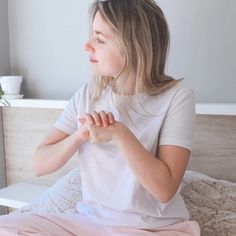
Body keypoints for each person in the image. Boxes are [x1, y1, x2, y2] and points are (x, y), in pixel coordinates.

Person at [0, 0, 200, 235]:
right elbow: (39, 165)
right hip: (92, 224)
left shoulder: (177, 98)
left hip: (153, 228)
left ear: (134, 46)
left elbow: (164, 189)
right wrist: (80, 135)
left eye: (100, 38)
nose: (87, 45)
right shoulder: (87, 96)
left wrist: (119, 132)